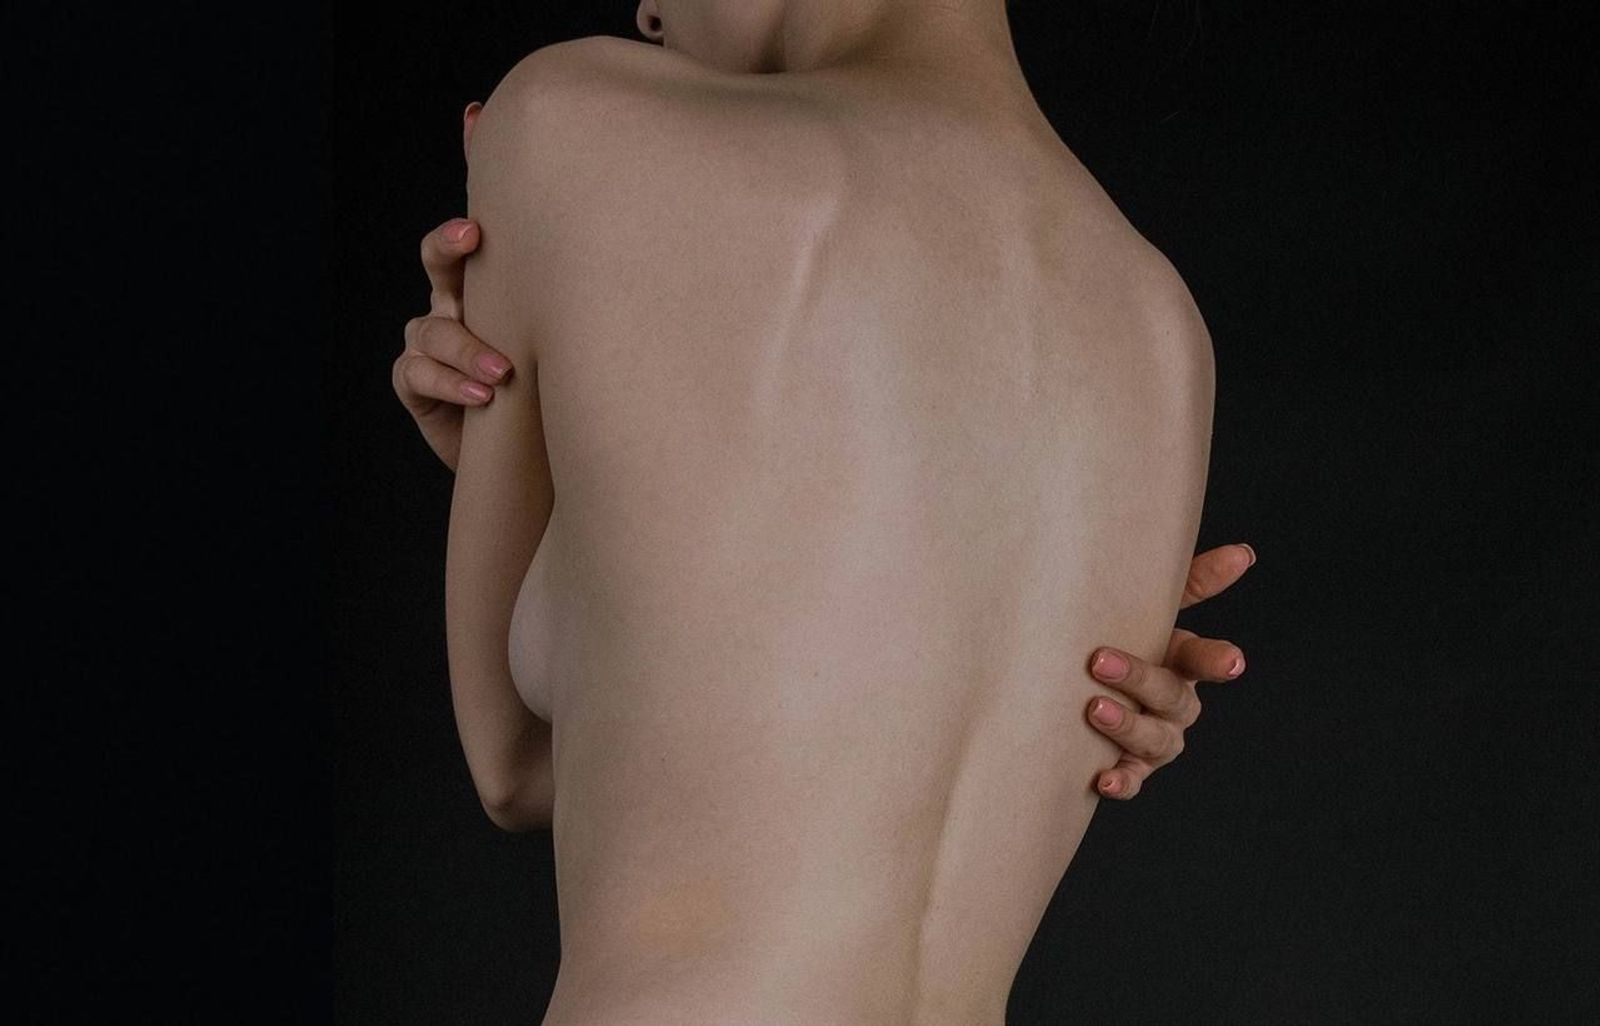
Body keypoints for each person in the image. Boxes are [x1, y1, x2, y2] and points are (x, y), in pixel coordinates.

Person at [393, 2, 1256, 1021]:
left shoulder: (575, 121)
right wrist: (596, 476)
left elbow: (515, 775)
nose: (649, 9)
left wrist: (515, 447)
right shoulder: (1162, 329)